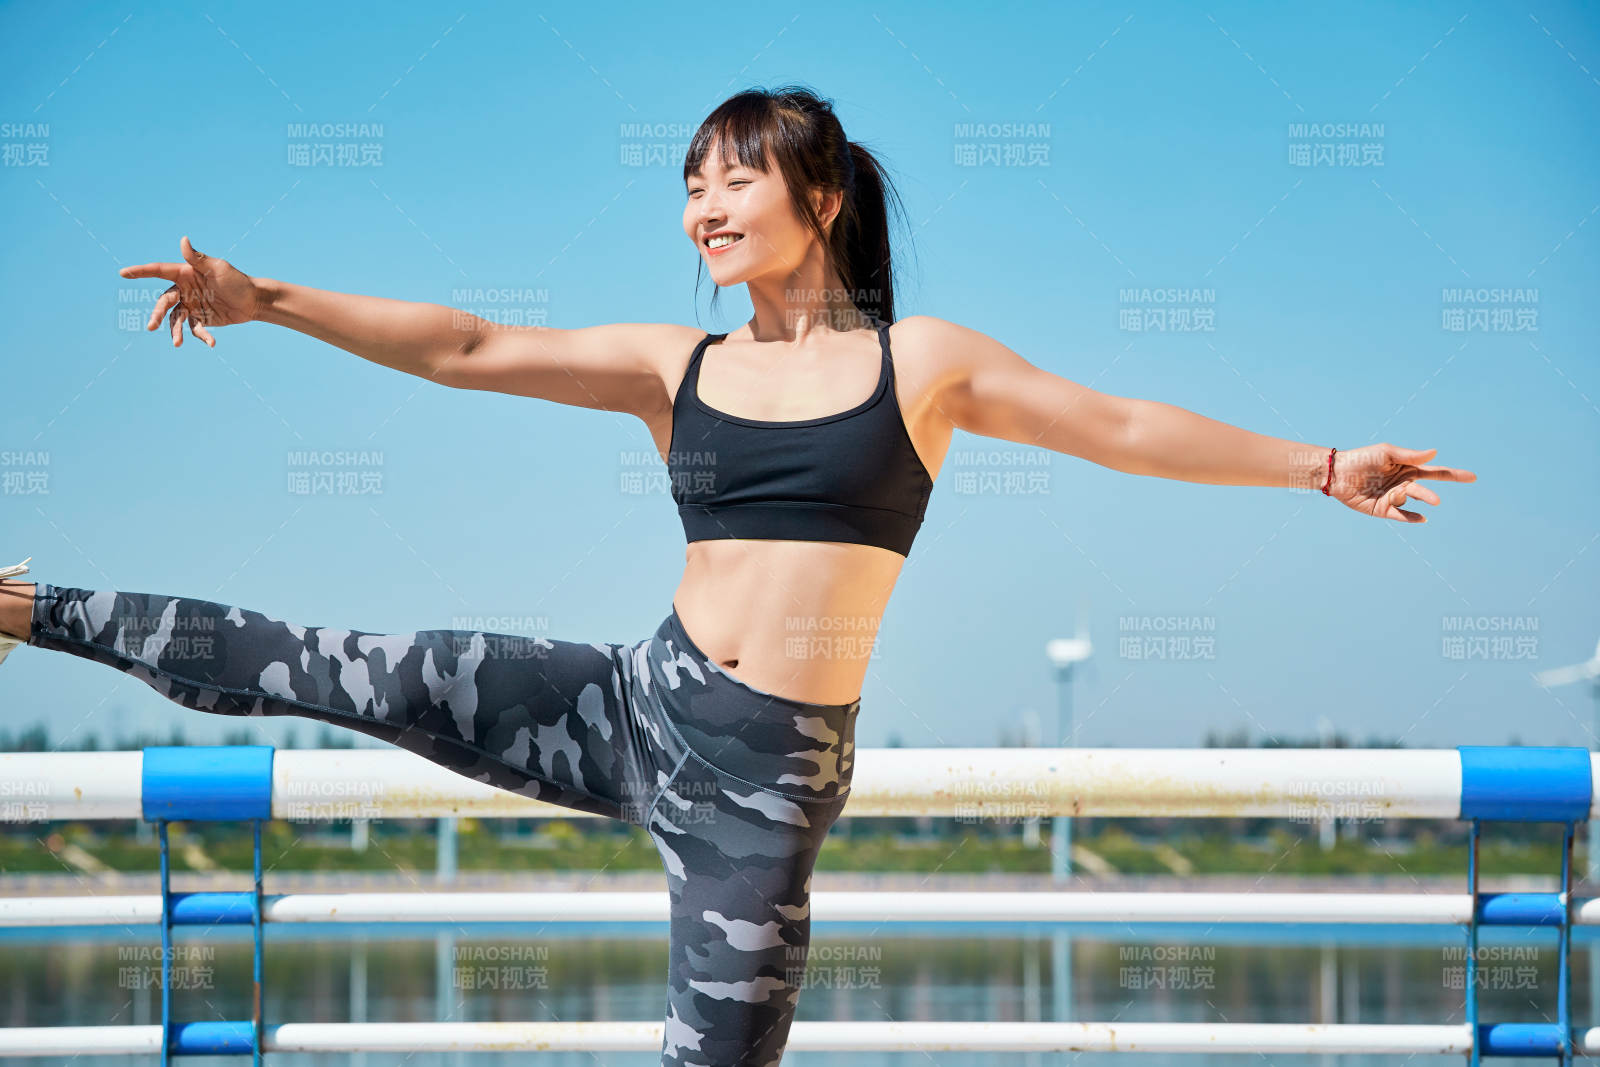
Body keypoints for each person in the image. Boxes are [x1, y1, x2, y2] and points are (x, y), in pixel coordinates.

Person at [0, 84, 1475, 1064]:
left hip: (767, 789)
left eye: (735, 181)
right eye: (690, 185)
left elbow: (1124, 427)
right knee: (328, 662)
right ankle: (30, 609)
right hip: (636, 701)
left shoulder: (927, 365)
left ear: (819, 197)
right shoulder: (675, 365)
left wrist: (1325, 465)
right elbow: (462, 346)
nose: (704, 207)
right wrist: (267, 301)